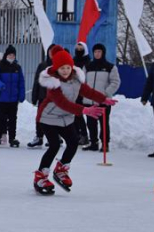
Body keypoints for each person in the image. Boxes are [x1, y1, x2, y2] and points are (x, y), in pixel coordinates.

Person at [33, 45, 116, 194]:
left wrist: (104, 99)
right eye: (62, 68)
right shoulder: (53, 84)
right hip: (48, 118)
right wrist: (84, 110)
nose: (65, 71)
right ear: (56, 69)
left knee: (73, 142)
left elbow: (88, 91)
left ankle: (61, 169)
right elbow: (63, 103)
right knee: (54, 145)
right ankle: (41, 176)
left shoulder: (76, 80)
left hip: (66, 118)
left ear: (71, 67)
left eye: (67, 67)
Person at [82, 43, 120, 152]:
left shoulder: (110, 67)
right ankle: (93, 142)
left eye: (99, 52)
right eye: (95, 52)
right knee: (90, 123)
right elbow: (82, 82)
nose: (97, 54)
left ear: (103, 53)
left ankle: (105, 144)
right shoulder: (88, 66)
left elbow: (115, 82)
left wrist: (105, 93)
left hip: (104, 101)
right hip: (89, 101)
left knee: (103, 123)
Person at [0, 45, 25, 148]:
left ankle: (12, 138)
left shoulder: (17, 67)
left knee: (13, 119)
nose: (12, 56)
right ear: (6, 55)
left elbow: (21, 82)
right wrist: (0, 85)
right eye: (10, 54)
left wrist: (21, 94)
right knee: (0, 119)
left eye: (13, 55)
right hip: (1, 98)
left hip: (13, 99)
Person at [28, 45, 57, 148]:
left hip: (56, 98)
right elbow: (37, 81)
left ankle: (54, 138)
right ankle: (39, 137)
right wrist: (34, 96)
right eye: (50, 51)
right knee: (40, 117)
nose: (51, 53)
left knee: (54, 118)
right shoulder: (42, 65)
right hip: (43, 96)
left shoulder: (60, 66)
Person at [73, 41, 90, 145]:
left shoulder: (88, 62)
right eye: (77, 49)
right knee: (75, 114)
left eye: (81, 49)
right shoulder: (73, 60)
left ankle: (85, 135)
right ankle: (78, 135)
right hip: (74, 91)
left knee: (82, 114)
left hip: (84, 91)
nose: (79, 51)